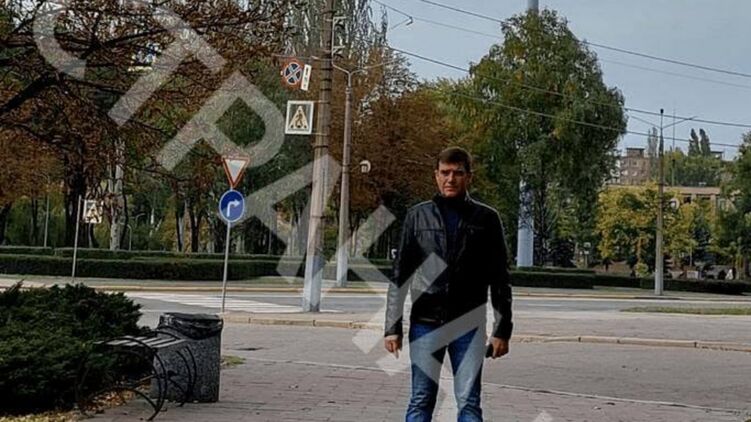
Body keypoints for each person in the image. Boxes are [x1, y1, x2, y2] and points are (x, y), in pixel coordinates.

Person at [384, 147, 513, 422]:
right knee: (421, 400)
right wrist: (392, 327)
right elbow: (399, 275)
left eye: (457, 173)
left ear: (469, 177)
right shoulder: (417, 216)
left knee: (469, 403)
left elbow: (500, 278)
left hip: (469, 324)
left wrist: (502, 329)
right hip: (425, 323)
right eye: (445, 173)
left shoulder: (486, 219)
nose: (450, 179)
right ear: (436, 175)